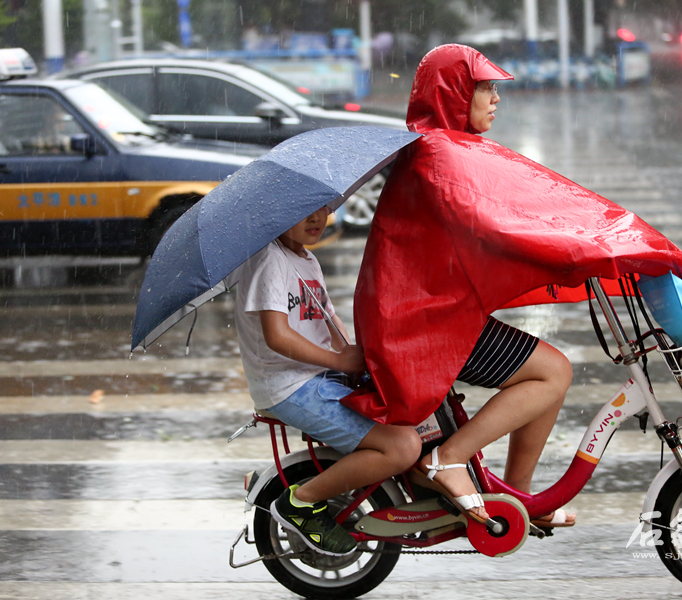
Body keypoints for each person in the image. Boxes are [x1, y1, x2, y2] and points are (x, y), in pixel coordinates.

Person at [354, 44, 575, 526]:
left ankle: (516, 500)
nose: (496, 99)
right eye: (486, 88)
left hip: (430, 314)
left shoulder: (443, 147)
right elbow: (495, 223)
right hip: (424, 326)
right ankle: (448, 457)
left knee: (549, 374)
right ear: (455, 92)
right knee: (552, 373)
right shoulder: (441, 153)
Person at [233, 206, 421, 556]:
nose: (317, 218)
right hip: (289, 386)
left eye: (323, 209)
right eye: (303, 211)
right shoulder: (269, 259)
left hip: (320, 376)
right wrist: (339, 360)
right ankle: (300, 503)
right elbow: (277, 335)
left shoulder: (305, 259)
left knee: (416, 408)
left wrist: (356, 361)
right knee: (401, 446)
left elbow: (329, 322)